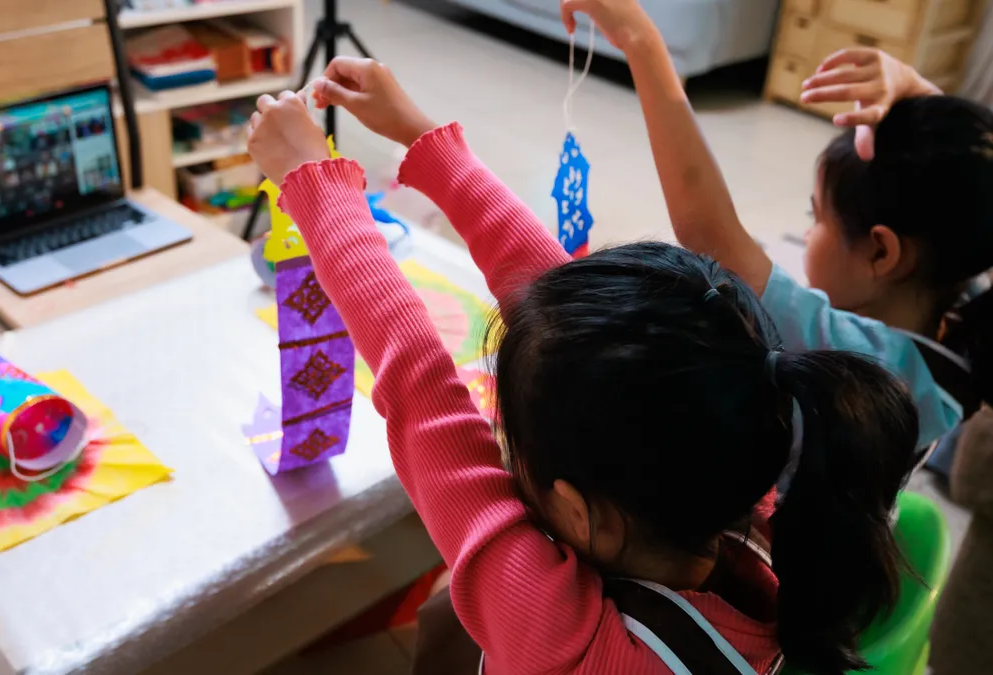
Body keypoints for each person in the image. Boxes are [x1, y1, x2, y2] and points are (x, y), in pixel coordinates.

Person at [247, 57, 919, 675]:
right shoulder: (753, 498)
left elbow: (422, 388)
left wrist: (315, 186)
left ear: (574, 510)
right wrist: (425, 141)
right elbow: (567, 324)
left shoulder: (566, 641)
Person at [571, 0, 993, 460]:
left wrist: (643, 43)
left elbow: (710, 233)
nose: (807, 235)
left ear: (881, 253)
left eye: (817, 220)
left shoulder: (855, 361)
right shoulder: (960, 301)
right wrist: (920, 99)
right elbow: (972, 193)